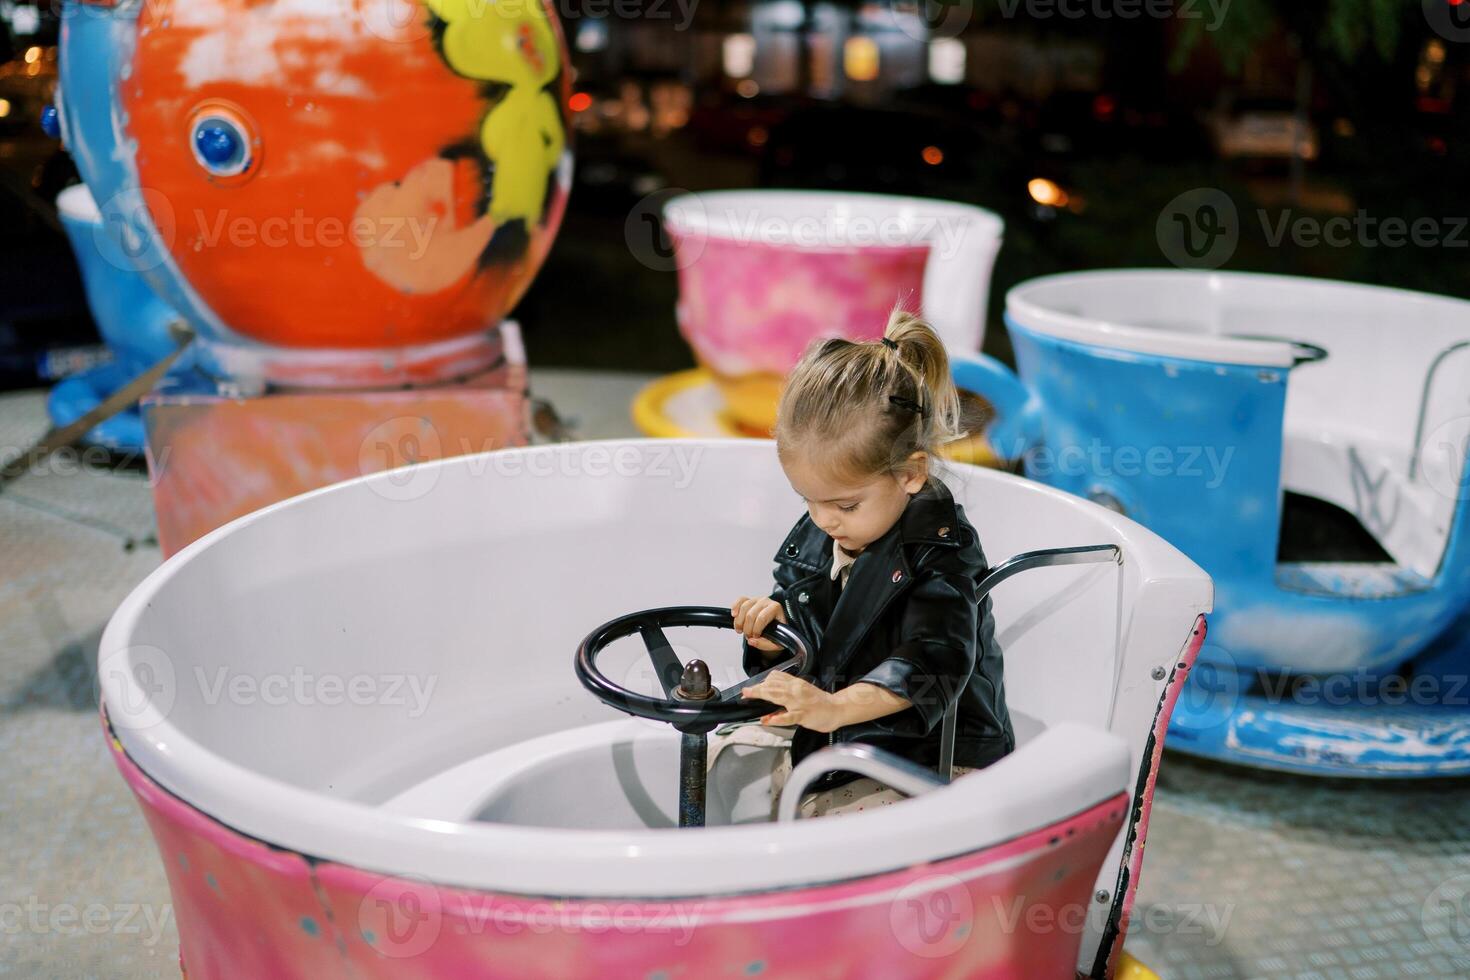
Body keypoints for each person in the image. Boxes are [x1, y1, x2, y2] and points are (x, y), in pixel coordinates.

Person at [714, 304, 1015, 820]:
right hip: (841, 728)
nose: (823, 520)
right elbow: (816, 626)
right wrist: (774, 633)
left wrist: (834, 709)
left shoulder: (941, 552)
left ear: (911, 474)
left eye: (844, 505)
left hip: (934, 751)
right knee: (719, 755)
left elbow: (933, 666)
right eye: (808, 499)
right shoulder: (823, 531)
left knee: (823, 823)